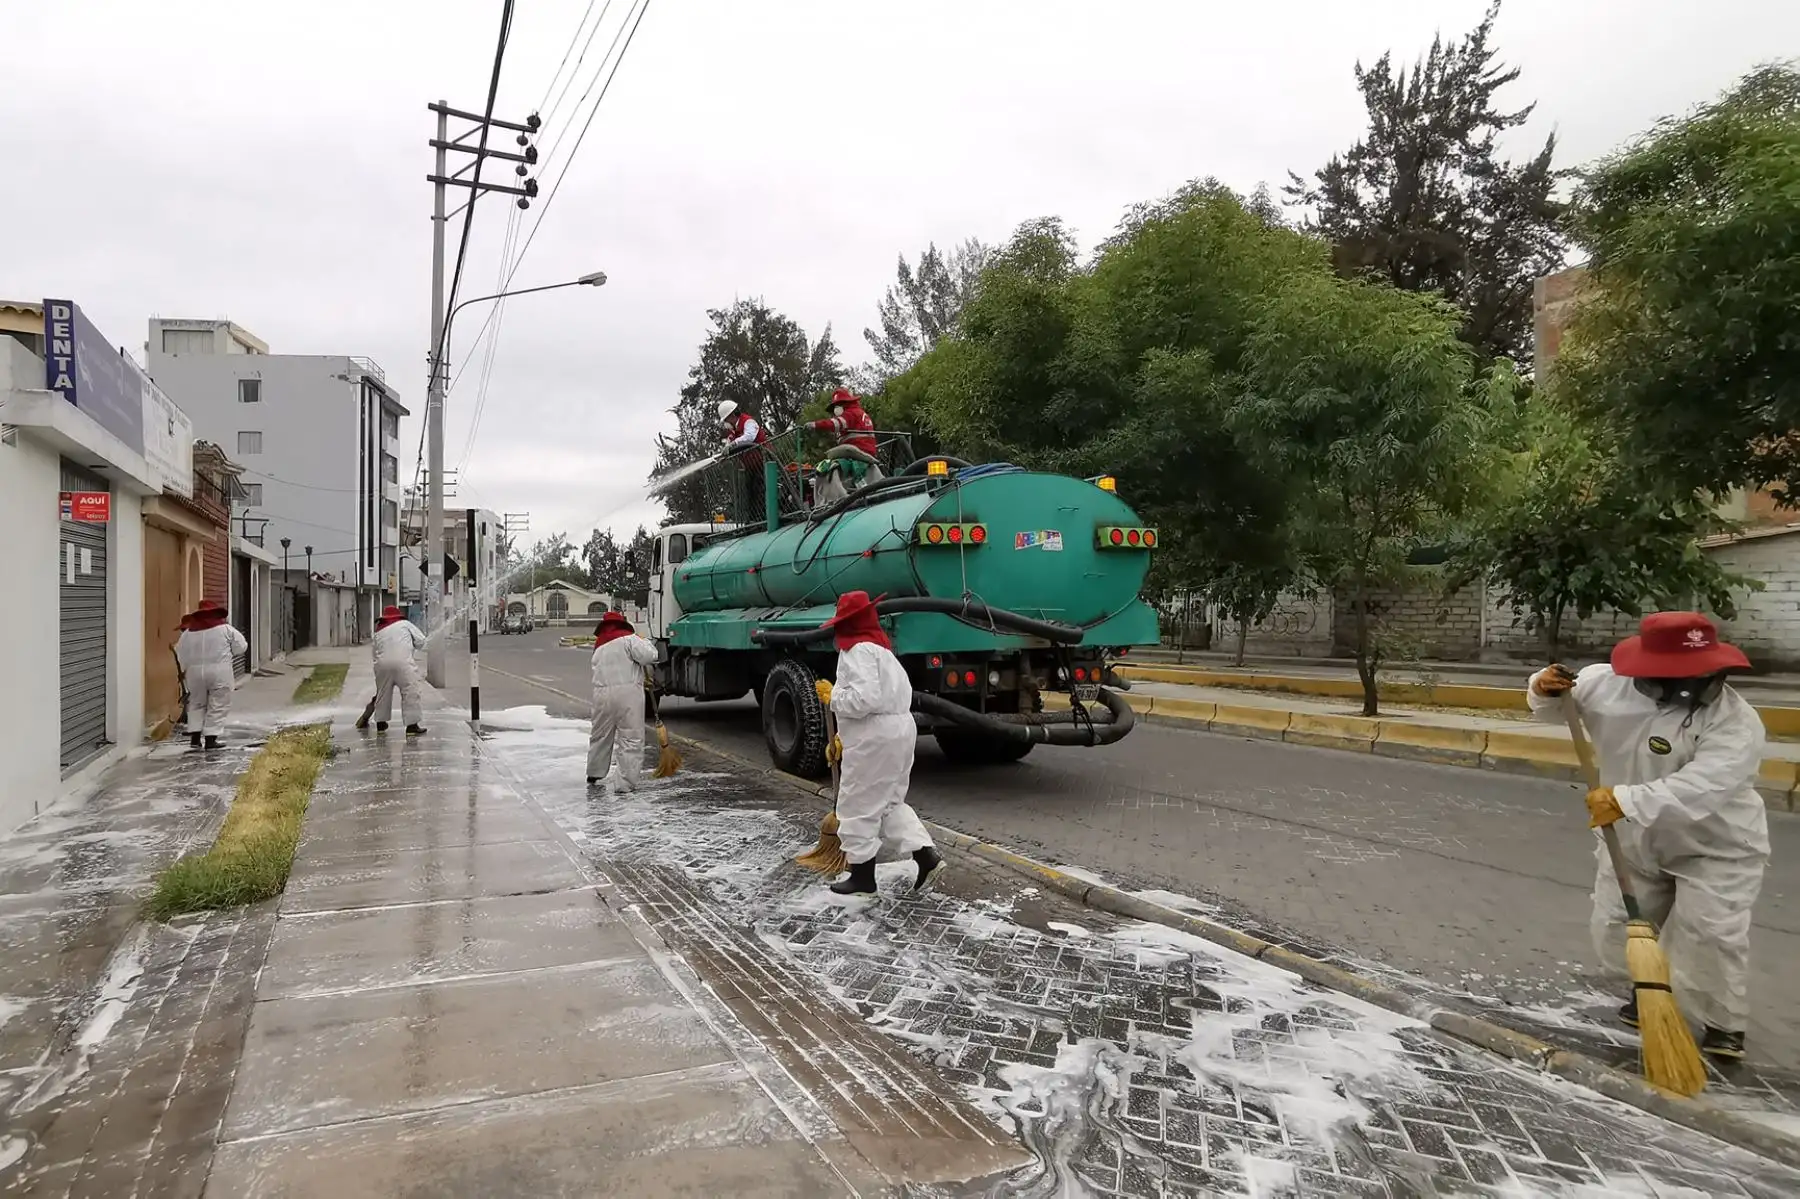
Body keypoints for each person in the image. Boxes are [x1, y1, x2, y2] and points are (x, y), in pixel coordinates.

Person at [1527, 611, 1768, 1060]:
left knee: (1711, 936)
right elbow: (1552, 706)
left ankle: (1722, 1022)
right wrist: (1542, 687)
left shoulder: (1736, 721)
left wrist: (1624, 800)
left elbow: (1705, 787)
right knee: (1617, 927)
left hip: (1714, 845)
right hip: (1634, 839)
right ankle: (1650, 990)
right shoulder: (1602, 685)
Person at [813, 591, 943, 896]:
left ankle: (862, 877)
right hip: (898, 731)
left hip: (875, 738)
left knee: (855, 805)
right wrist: (842, 738)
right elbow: (881, 701)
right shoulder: (882, 651)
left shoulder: (856, 651)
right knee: (889, 804)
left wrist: (834, 698)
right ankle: (927, 857)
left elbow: (865, 700)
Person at [588, 611, 660, 789]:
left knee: (600, 735)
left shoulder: (599, 646)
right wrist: (645, 641)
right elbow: (649, 656)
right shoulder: (629, 639)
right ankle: (624, 784)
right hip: (628, 694)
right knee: (630, 738)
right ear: (623, 624)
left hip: (601, 695)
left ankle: (594, 773)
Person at [175, 603, 246, 750]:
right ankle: (210, 739)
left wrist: (188, 666)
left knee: (196, 703)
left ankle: (195, 739)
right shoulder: (226, 629)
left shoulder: (188, 633)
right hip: (219, 671)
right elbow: (241, 647)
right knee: (218, 703)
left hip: (194, 672)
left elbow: (180, 652)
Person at [808, 387, 884, 505]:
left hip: (858, 450)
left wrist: (816, 425)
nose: (836, 409)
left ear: (845, 404)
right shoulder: (860, 413)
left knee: (831, 468)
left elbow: (835, 424)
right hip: (866, 451)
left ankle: (835, 499)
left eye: (838, 405)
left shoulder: (851, 414)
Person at [371, 605, 427, 735]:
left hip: (383, 665)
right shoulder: (405, 624)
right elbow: (421, 641)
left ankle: (381, 724)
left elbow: (375, 652)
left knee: (382, 693)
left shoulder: (378, 631)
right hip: (403, 664)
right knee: (410, 691)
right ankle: (412, 726)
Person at [718, 399, 769, 521]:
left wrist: (733, 444)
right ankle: (754, 519)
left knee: (761, 490)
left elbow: (749, 437)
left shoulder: (748, 422)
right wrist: (724, 453)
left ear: (731, 416)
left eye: (726, 420)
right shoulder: (734, 431)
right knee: (749, 493)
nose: (726, 423)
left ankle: (764, 518)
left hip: (763, 462)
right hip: (750, 466)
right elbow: (729, 443)